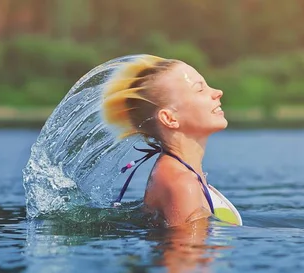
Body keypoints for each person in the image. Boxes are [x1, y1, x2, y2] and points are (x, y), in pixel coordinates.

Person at [101, 54, 242, 228]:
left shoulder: (181, 173)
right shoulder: (182, 184)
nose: (217, 92)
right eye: (200, 89)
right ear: (169, 118)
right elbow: (186, 253)